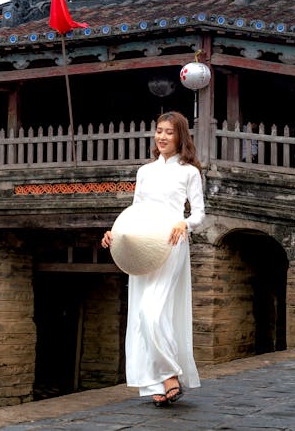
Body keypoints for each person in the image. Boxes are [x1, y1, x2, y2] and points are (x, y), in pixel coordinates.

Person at [101, 111, 205, 407]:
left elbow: (199, 212)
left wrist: (185, 223)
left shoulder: (189, 172)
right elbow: (136, 210)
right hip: (142, 244)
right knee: (141, 314)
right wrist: (115, 232)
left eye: (169, 132)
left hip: (171, 242)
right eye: (159, 131)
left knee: (155, 311)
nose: (161, 137)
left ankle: (170, 374)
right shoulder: (144, 171)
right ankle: (156, 383)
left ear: (180, 136)